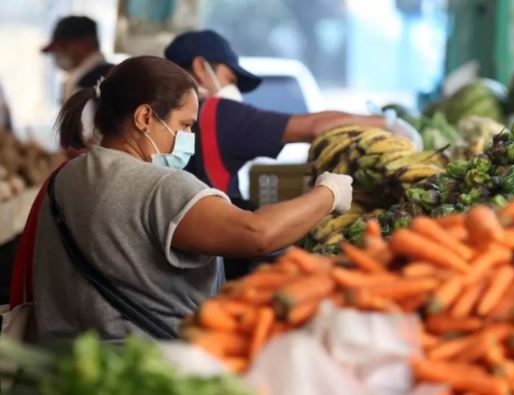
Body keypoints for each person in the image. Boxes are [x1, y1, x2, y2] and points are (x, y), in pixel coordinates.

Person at [28, 56, 352, 340]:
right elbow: (258, 234)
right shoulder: (162, 187)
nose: (189, 139)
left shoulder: (64, 177)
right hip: (147, 366)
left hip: (62, 366)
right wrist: (329, 193)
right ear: (144, 118)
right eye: (185, 125)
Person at [164, 30, 421, 201]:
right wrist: (387, 123)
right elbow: (313, 126)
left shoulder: (156, 114)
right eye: (229, 78)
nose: (232, 90)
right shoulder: (217, 114)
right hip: (212, 255)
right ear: (200, 68)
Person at [42, 16, 114, 102]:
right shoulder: (110, 73)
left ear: (85, 44)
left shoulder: (91, 83)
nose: (59, 55)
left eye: (63, 48)